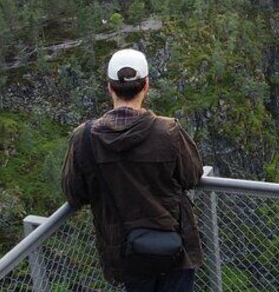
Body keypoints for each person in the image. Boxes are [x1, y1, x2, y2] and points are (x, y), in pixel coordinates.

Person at [61, 48, 203, 291]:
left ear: (110, 87)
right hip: (174, 246)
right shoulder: (167, 132)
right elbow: (192, 176)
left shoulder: (84, 138)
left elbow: (75, 193)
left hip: (126, 250)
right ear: (146, 85)